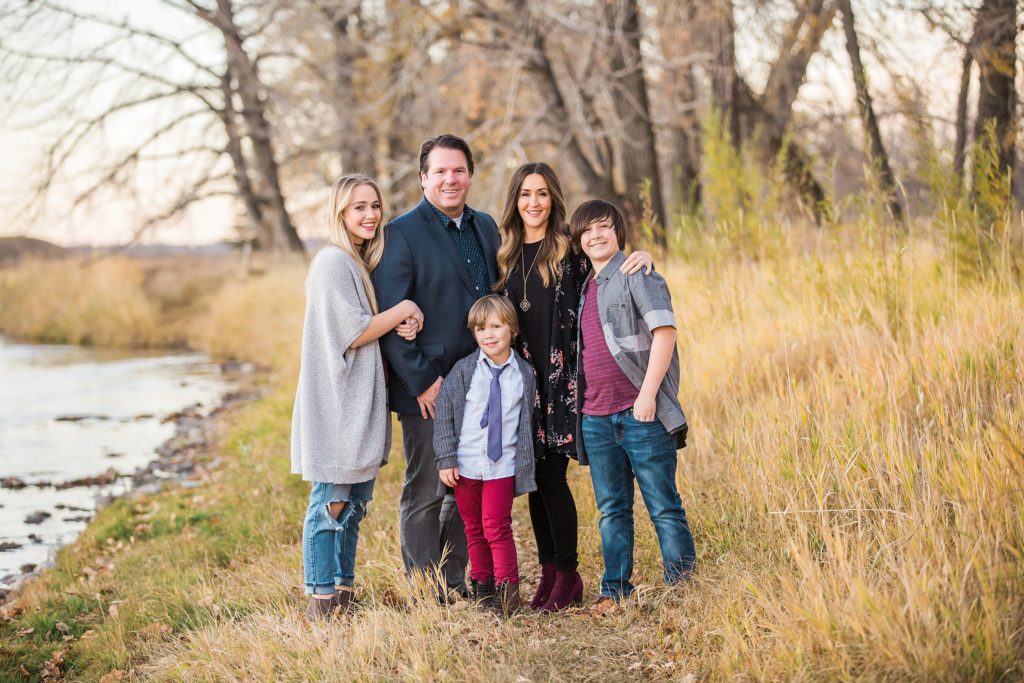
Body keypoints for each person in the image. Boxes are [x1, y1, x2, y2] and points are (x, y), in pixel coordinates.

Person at [495, 162, 653, 611]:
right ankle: (548, 575)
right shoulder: (505, 254)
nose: (533, 203)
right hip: (521, 383)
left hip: (561, 379)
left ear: (553, 199)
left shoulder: (568, 249)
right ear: (515, 201)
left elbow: (610, 263)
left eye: (542, 194)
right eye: (525, 194)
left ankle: (568, 574)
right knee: (533, 479)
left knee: (551, 477)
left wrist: (643, 258)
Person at [371, 134, 500, 600]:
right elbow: (390, 318)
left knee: (467, 487)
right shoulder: (401, 233)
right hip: (429, 384)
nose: (451, 179)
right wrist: (424, 382)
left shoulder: (486, 227)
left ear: (470, 174)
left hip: (482, 382)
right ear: (424, 177)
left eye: (459, 170)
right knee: (426, 488)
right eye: (440, 171)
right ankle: (425, 590)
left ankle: (452, 580)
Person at [291, 174, 423, 620]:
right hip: (335, 405)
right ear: (340, 215)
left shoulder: (356, 263)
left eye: (374, 205)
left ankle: (344, 592)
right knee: (329, 503)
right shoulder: (332, 263)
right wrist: (403, 310)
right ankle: (320, 600)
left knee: (353, 506)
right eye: (358, 208)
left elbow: (369, 324)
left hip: (355, 404)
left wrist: (401, 322)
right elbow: (354, 331)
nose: (369, 215)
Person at [569, 199, 695, 607]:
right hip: (596, 417)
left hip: (641, 413)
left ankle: (683, 589)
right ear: (578, 240)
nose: (596, 236)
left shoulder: (638, 273)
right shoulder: (586, 288)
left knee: (662, 506)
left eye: (604, 227)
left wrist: (647, 397)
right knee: (611, 511)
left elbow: (665, 332)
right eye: (587, 231)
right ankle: (615, 591)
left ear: (618, 232)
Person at [433, 295, 537, 616]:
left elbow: (525, 426)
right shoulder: (464, 372)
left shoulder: (524, 374)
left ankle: (508, 594)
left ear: (512, 330)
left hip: (501, 466)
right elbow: (444, 417)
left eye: (495, 326)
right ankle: (483, 589)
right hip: (465, 467)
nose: (488, 335)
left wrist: (524, 466)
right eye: (480, 329)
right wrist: (446, 458)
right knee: (474, 529)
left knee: (497, 527)